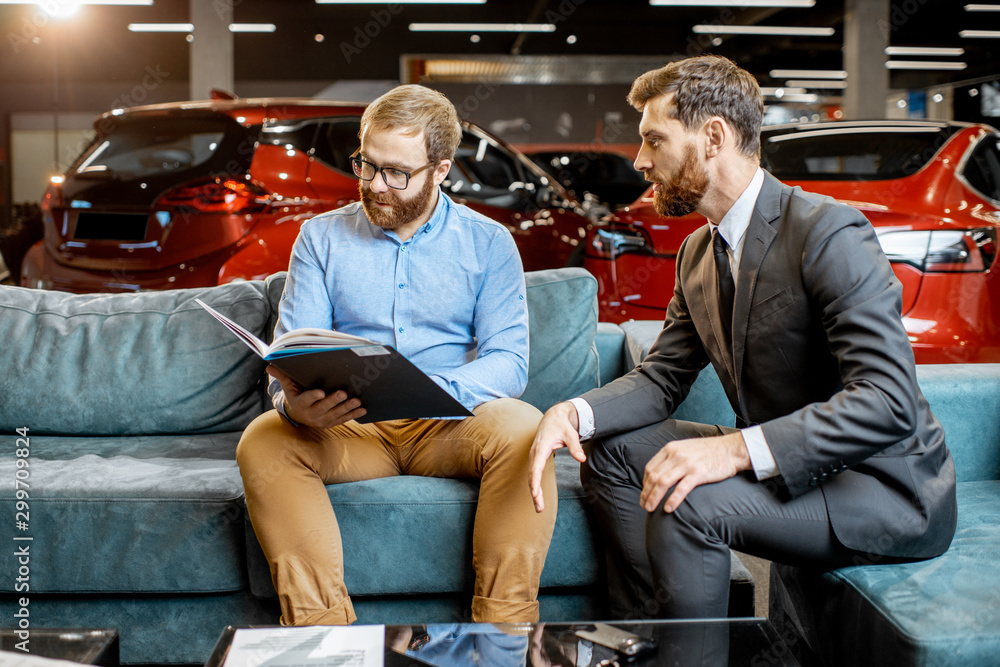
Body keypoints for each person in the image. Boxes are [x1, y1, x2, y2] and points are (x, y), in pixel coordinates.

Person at [527, 55, 957, 620]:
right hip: (788, 466)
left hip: (879, 486)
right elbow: (661, 379)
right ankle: (646, 636)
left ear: (713, 136)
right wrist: (572, 413)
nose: (640, 161)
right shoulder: (699, 253)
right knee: (611, 450)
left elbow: (887, 403)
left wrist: (729, 450)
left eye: (654, 140)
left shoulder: (828, 231)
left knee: (686, 502)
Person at [237, 84, 556, 626]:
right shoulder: (320, 238)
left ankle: (504, 634)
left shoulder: (489, 242)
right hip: (351, 427)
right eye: (367, 165)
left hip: (451, 424)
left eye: (397, 173)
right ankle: (325, 641)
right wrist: (292, 406)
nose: (376, 185)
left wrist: (432, 391)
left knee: (528, 429)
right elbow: (291, 351)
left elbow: (509, 361)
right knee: (263, 441)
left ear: (441, 170)